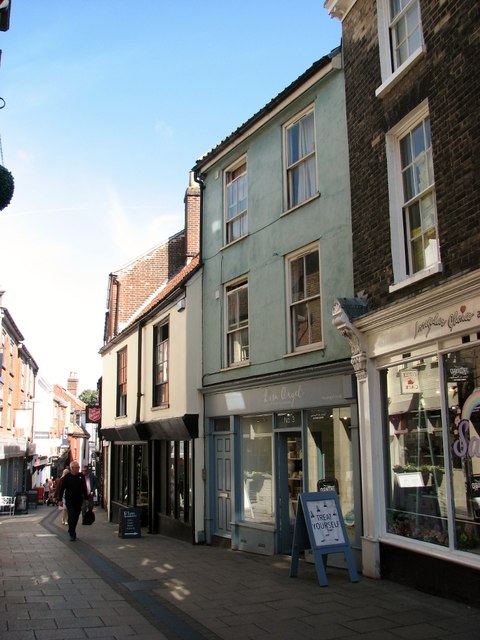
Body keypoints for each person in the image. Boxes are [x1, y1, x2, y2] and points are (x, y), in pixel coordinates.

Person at [59, 461, 88, 541]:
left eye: (78, 467)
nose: (78, 468)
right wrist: (60, 499)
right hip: (70, 500)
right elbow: (62, 489)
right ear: (72, 468)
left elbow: (84, 488)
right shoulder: (67, 477)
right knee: (71, 515)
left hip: (78, 500)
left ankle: (72, 529)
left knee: (76, 516)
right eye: (77, 467)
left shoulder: (81, 476)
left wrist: (86, 498)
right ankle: (72, 533)